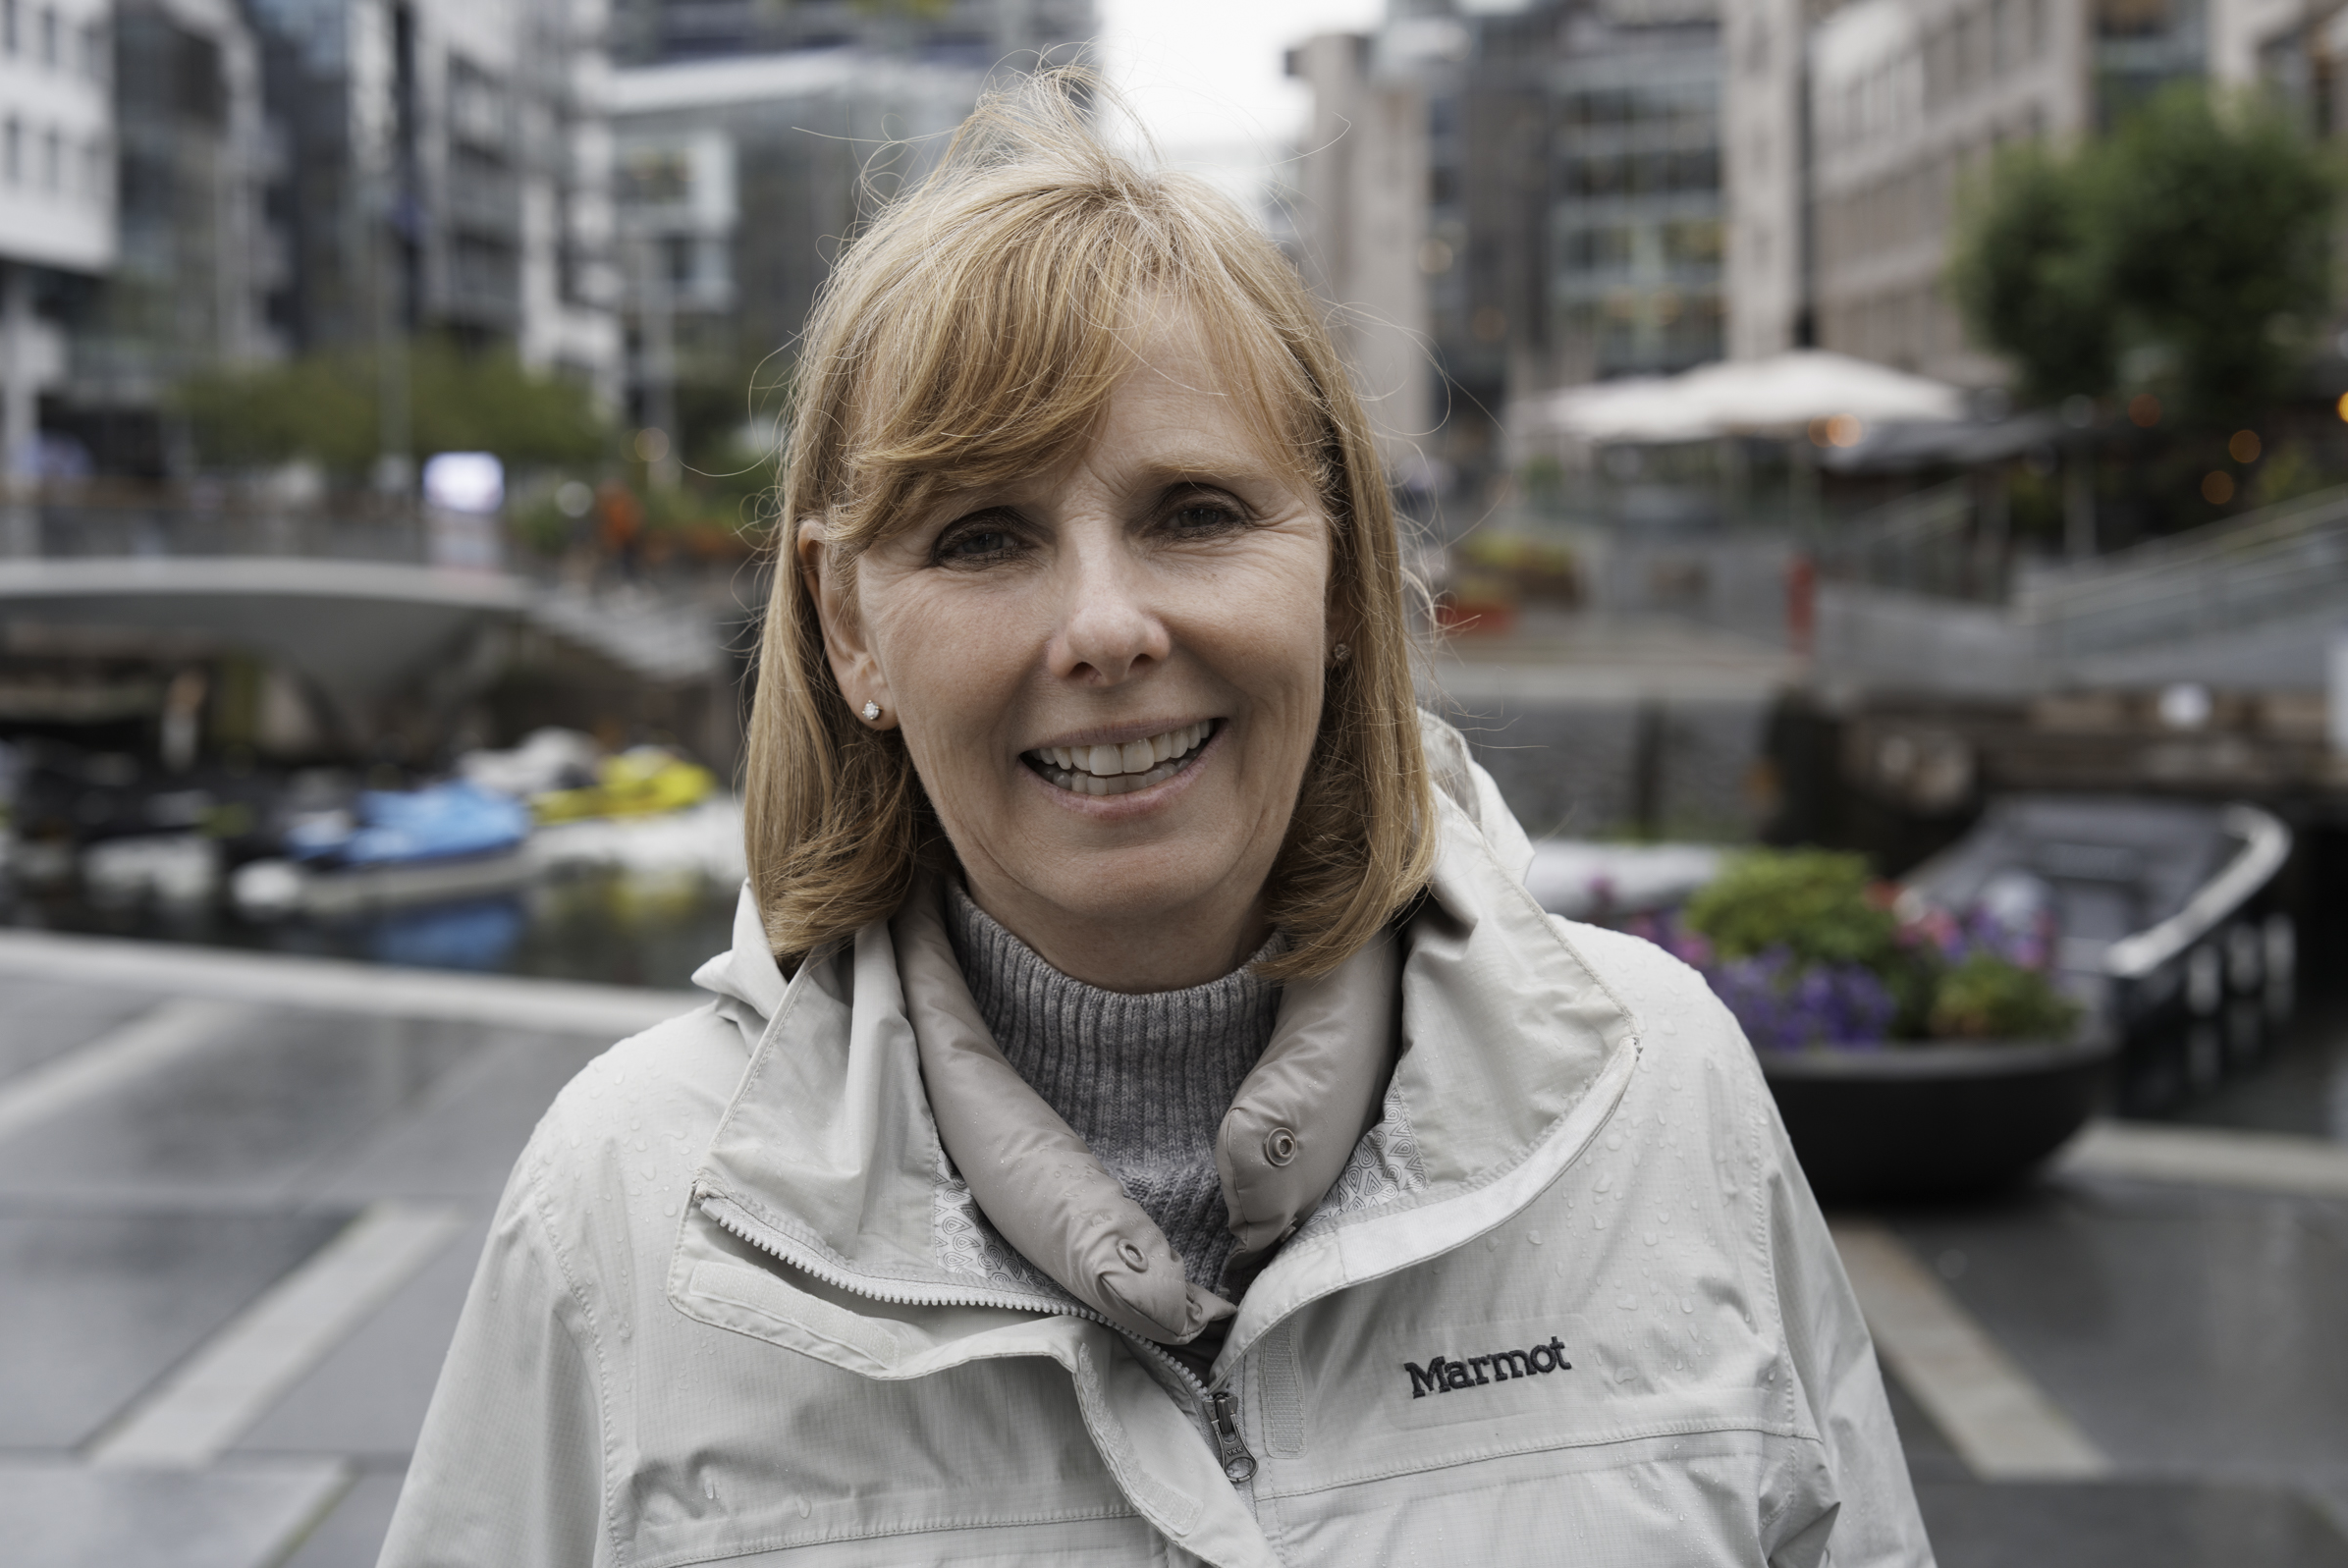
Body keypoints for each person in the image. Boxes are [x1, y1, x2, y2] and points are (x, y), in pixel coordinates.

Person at [381, 73, 1932, 1568]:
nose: (1107, 628)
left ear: (1337, 566)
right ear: (849, 626)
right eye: (984, 534)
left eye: (1194, 513)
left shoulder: (1661, 1091)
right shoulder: (625, 1207)